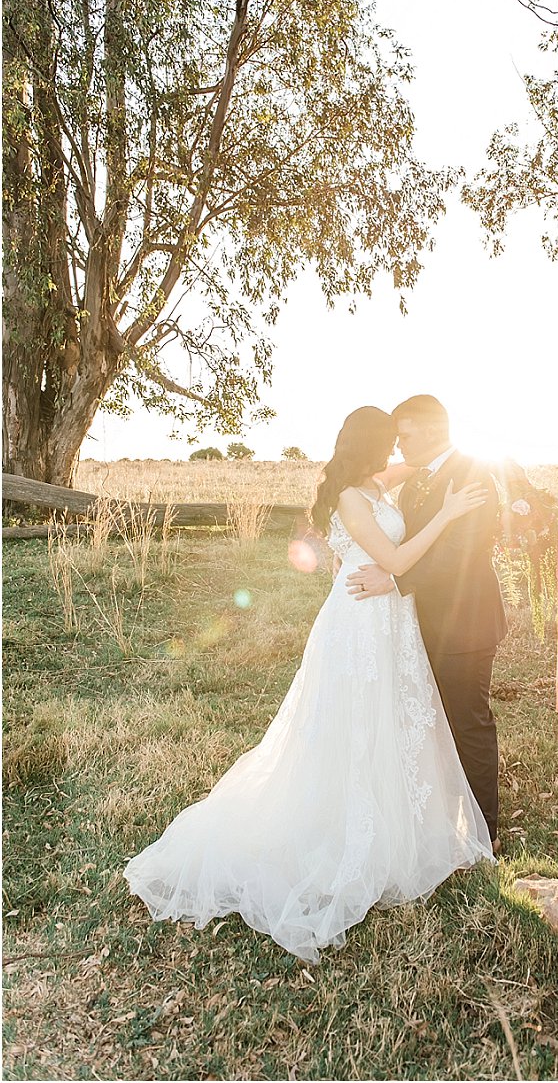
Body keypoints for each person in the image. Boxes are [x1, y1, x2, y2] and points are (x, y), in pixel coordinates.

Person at [123, 406, 495, 965]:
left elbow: (418, 467)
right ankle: (340, 829)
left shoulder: (376, 478)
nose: (398, 450)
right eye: (390, 441)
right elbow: (392, 557)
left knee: (392, 717)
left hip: (390, 616)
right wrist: (444, 515)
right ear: (371, 444)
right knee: (353, 719)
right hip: (362, 615)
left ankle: (398, 822)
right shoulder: (349, 492)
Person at [346, 396, 507, 854]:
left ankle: (484, 835)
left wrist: (393, 579)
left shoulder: (473, 474)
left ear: (434, 431)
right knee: (429, 722)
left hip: (465, 623)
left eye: (406, 435)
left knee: (467, 724)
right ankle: (440, 820)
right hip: (420, 623)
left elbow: (461, 554)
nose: (397, 447)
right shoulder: (417, 479)